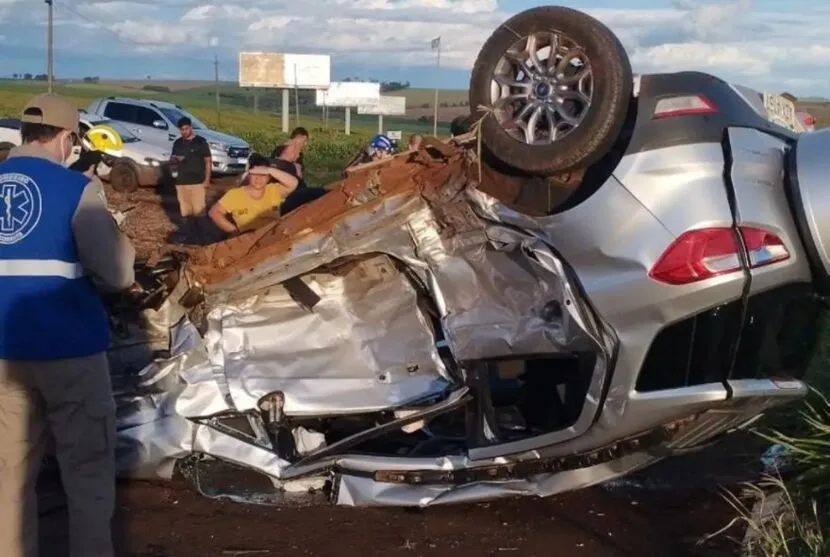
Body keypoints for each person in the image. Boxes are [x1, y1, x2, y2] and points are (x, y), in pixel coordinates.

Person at [0, 93, 136, 557]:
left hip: (4, 353)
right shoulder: (77, 190)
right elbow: (118, 275)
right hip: (69, 351)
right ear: (66, 138)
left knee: (9, 478)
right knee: (87, 475)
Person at [209, 153, 298, 235]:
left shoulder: (274, 190)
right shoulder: (235, 195)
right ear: (249, 175)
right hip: (249, 240)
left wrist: (269, 170)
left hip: (273, 236)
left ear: (269, 177)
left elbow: (293, 183)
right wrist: (235, 232)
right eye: (255, 174)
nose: (258, 179)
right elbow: (214, 212)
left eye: (263, 175)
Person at [170, 116, 211, 241]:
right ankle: (190, 237)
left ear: (190, 128)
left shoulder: (200, 142)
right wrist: (176, 160)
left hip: (197, 182)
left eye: (186, 129)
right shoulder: (177, 143)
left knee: (200, 213)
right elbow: (172, 160)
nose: (184, 132)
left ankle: (204, 238)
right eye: (182, 130)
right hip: (181, 182)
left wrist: (207, 179)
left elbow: (208, 161)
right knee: (186, 213)